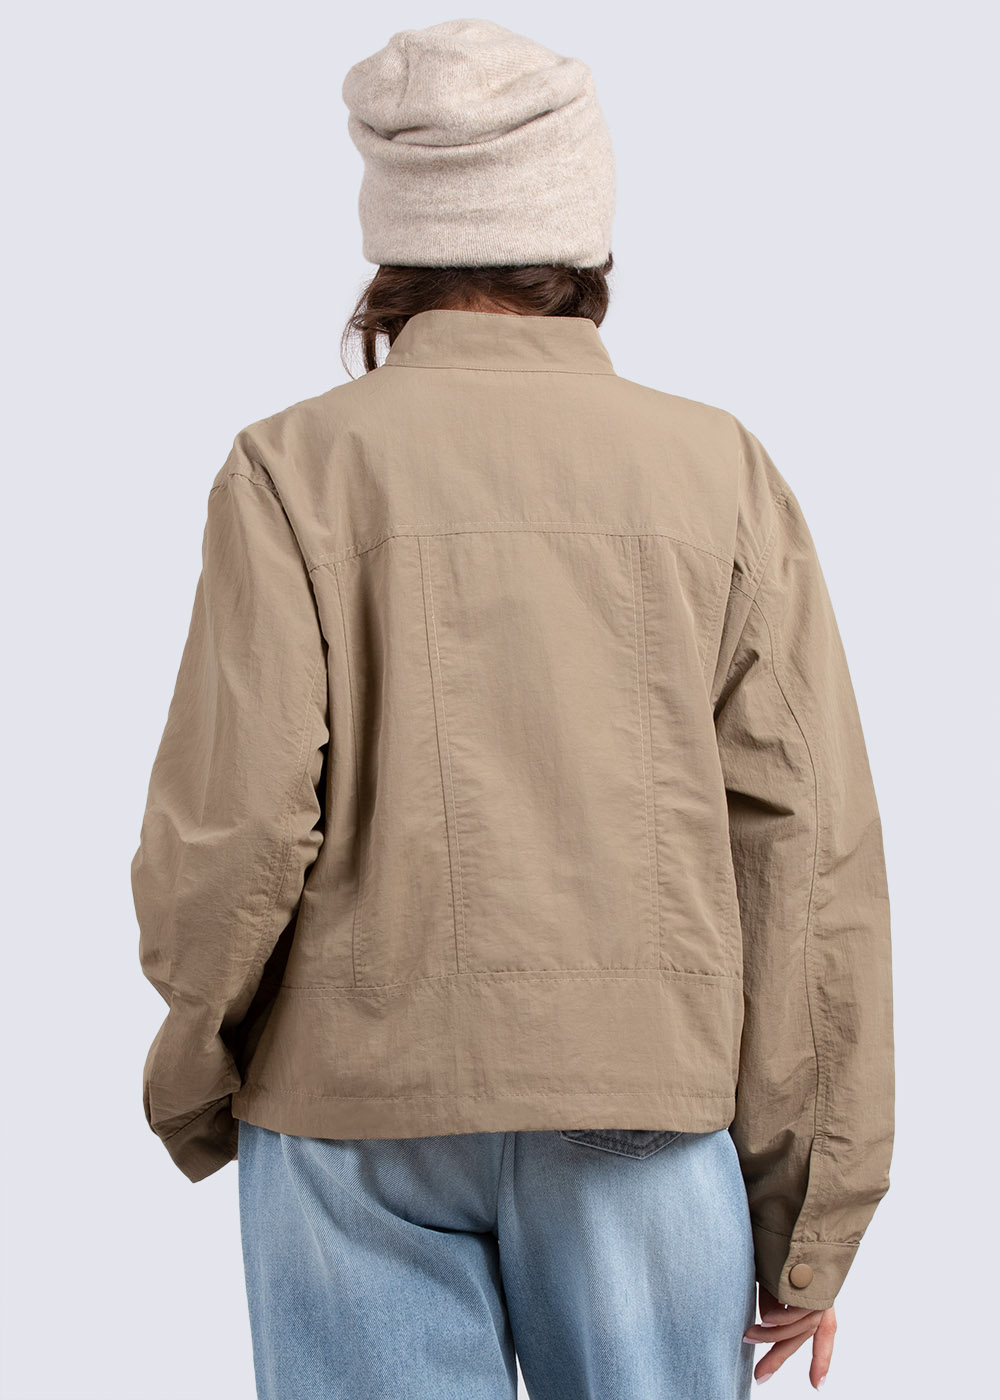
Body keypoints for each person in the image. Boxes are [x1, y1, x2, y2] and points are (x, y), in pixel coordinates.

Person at [130, 18, 894, 1399]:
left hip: (348, 1108)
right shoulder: (715, 471)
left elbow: (233, 833)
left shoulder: (292, 468)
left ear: (392, 243)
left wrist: (196, 1072)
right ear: (583, 238)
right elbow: (805, 860)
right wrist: (810, 1216)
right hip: (641, 1109)